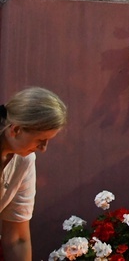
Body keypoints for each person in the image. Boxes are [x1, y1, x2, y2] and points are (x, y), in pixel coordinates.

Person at [0, 87, 67, 261]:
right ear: (16, 130)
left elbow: (17, 239)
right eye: (40, 141)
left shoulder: (24, 160)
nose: (43, 149)